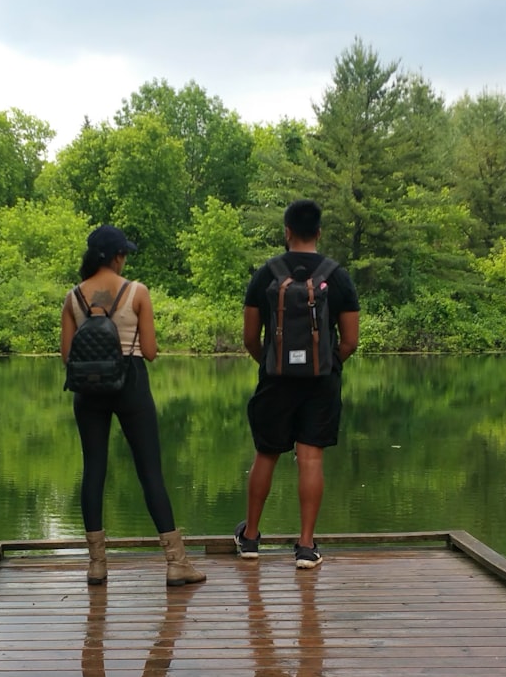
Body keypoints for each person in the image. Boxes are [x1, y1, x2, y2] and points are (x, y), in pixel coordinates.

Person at [61, 224, 205, 588]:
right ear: (116, 256)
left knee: (93, 470)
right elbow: (152, 353)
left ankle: (96, 565)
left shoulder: (73, 297)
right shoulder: (136, 292)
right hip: (131, 382)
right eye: (124, 253)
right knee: (150, 472)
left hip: (88, 389)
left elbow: (66, 356)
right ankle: (176, 563)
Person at [235, 200, 360, 569]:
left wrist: (272, 364)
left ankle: (252, 539)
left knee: (266, 455)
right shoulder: (336, 276)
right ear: (319, 232)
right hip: (320, 382)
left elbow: (249, 337)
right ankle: (306, 547)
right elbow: (350, 340)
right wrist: (327, 365)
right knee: (310, 459)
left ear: (286, 231)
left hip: (275, 380)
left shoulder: (265, 274)